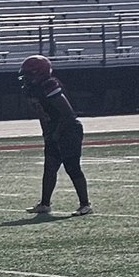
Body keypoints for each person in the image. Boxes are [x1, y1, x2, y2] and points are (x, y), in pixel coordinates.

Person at [19, 55, 91, 216]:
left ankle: (85, 204)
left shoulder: (49, 86)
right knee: (50, 167)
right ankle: (45, 204)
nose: (26, 78)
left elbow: (68, 114)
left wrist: (57, 133)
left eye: (29, 74)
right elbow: (42, 114)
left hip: (69, 130)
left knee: (72, 167)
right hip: (54, 129)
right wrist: (47, 132)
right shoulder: (33, 89)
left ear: (39, 73)